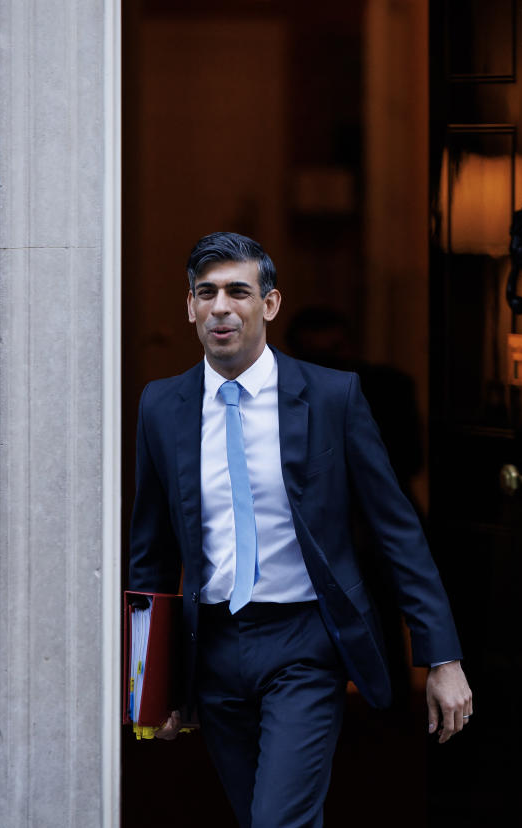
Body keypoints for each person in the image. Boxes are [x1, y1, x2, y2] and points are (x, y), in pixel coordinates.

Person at [128, 231, 472, 827]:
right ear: (189, 306)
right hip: (210, 649)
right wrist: (147, 687)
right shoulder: (161, 406)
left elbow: (398, 531)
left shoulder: (333, 397)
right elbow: (150, 553)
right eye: (206, 293)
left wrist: (441, 656)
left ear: (270, 304)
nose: (221, 307)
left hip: (304, 645)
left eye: (239, 291)